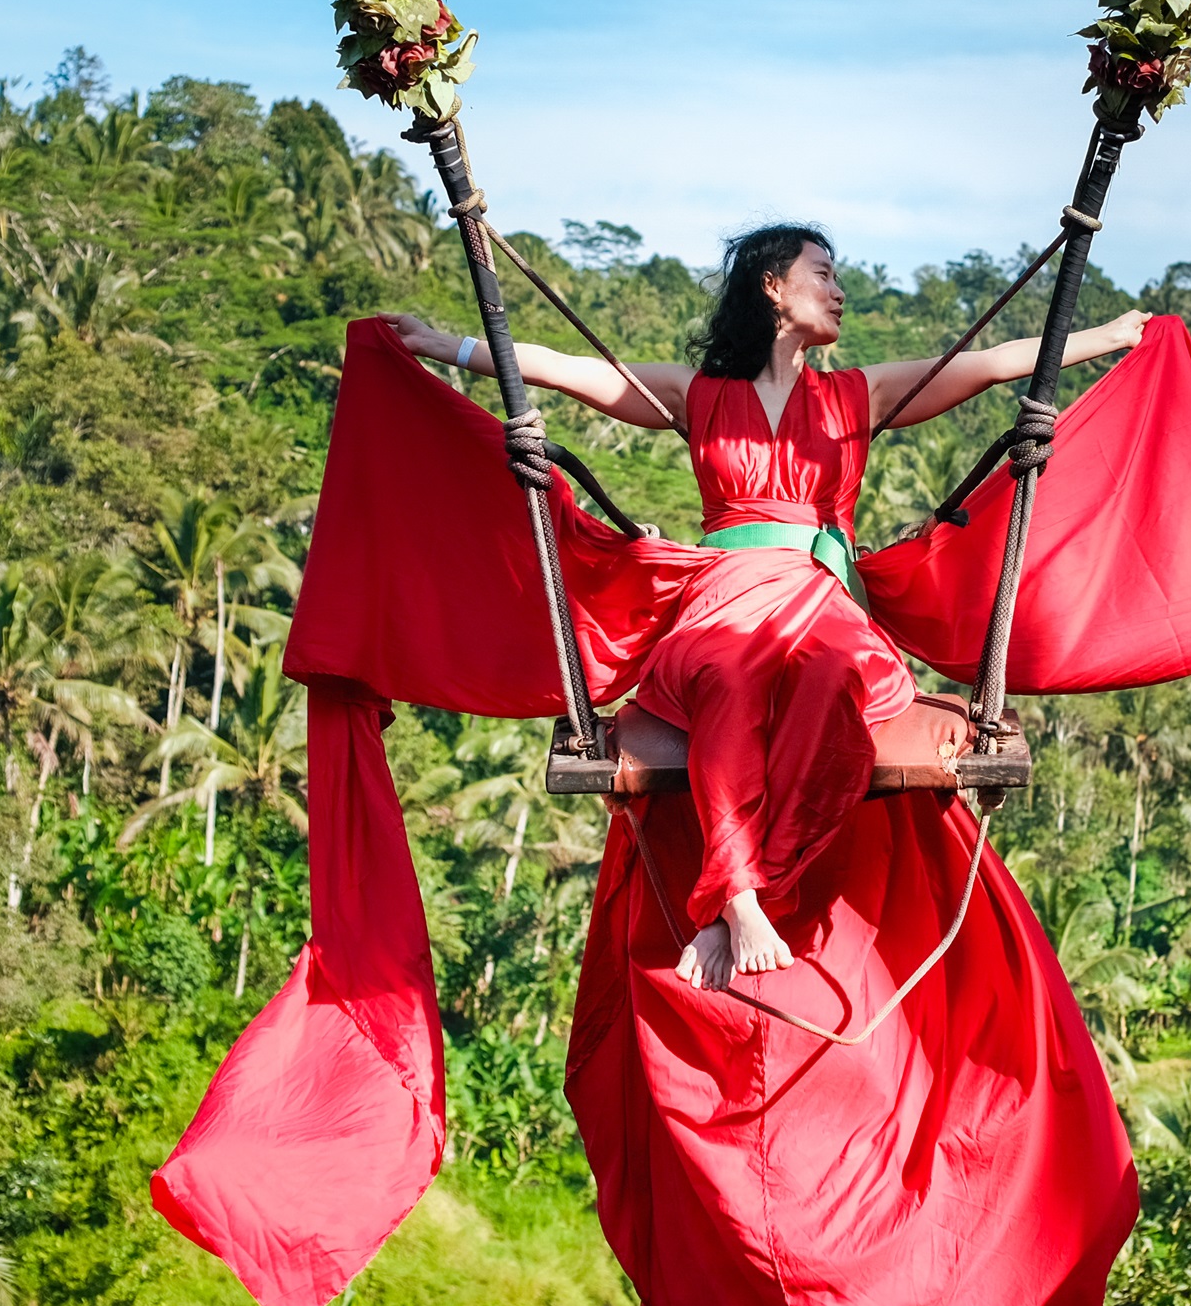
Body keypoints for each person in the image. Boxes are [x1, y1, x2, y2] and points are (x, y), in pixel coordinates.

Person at [380, 224, 1145, 991]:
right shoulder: (697, 395)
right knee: (726, 674)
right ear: (772, 286)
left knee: (831, 679)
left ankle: (739, 900)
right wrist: (444, 345)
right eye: (824, 274)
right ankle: (740, 897)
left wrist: (1111, 336)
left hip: (819, 597)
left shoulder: (860, 395)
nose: (840, 291)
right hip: (726, 596)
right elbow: (561, 368)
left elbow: (993, 362)